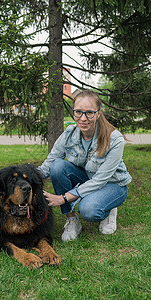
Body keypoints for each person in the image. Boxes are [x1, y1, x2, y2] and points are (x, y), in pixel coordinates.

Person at [38, 90, 132, 242]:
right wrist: (21, 174)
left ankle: (108, 208)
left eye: (89, 113)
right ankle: (72, 220)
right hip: (87, 179)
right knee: (57, 167)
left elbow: (100, 180)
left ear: (98, 113)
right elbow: (48, 166)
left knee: (89, 210)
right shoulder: (69, 134)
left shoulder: (115, 139)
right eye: (78, 112)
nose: (83, 118)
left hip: (113, 185)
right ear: (73, 112)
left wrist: (63, 198)